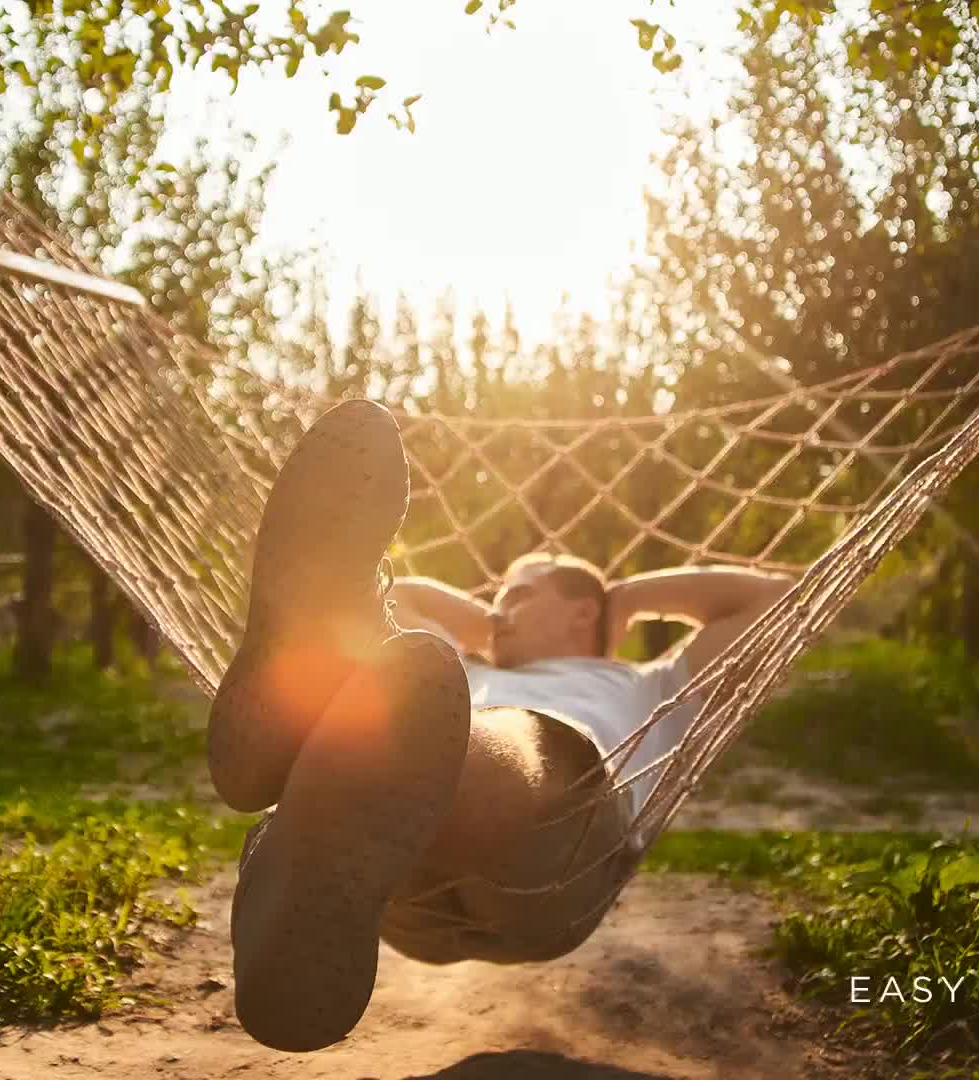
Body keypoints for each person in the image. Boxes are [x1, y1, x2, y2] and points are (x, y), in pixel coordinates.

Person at [207, 400, 792, 1052]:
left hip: (561, 861)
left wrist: (622, 598)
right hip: (397, 888)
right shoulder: (443, 666)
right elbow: (402, 598)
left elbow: (776, 601)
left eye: (519, 594)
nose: (497, 609)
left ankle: (310, 773)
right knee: (399, 672)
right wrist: (490, 626)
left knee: (511, 729)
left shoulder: (655, 682)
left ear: (580, 613)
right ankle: (319, 798)